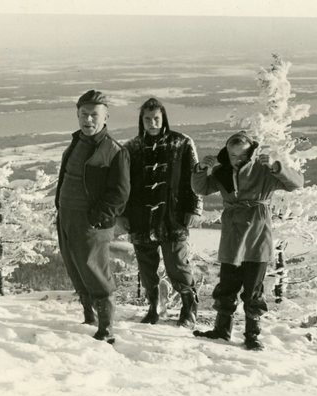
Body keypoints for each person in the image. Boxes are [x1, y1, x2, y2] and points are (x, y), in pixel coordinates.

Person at [191, 132, 304, 350]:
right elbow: (201, 188)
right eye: (233, 155)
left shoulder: (264, 170)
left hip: (257, 235)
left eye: (242, 155)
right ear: (227, 153)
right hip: (233, 236)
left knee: (253, 289)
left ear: (251, 153)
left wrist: (277, 167)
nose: (237, 159)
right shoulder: (223, 172)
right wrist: (201, 169)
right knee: (227, 286)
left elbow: (296, 183)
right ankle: (221, 330)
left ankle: (252, 335)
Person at [55, 90, 130, 343]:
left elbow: (119, 193)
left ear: (106, 116)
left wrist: (97, 218)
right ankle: (90, 316)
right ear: (77, 115)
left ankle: (106, 327)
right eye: (84, 115)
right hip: (67, 216)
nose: (88, 120)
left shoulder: (113, 150)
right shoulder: (77, 142)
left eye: (94, 115)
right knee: (76, 267)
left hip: (91, 223)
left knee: (96, 271)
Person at [123, 97, 202, 328]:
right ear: (142, 120)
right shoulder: (132, 147)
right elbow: (124, 184)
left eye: (156, 118)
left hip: (173, 214)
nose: (152, 122)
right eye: (147, 119)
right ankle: (154, 305)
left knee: (176, 263)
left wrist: (194, 208)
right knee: (146, 265)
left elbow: (193, 177)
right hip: (140, 215)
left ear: (163, 117)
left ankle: (189, 306)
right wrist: (123, 214)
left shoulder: (181, 143)